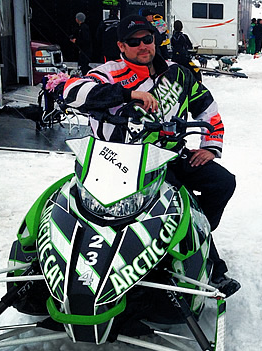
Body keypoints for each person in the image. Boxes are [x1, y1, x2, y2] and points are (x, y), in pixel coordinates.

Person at [63, 15, 240, 296]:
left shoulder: (178, 73)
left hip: (169, 155)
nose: (143, 46)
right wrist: (128, 95)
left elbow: (208, 108)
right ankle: (213, 267)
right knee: (180, 198)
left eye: (148, 39)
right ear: (121, 45)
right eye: (134, 42)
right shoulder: (108, 72)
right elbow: (72, 92)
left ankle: (190, 238)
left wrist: (209, 146)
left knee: (222, 182)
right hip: (119, 162)